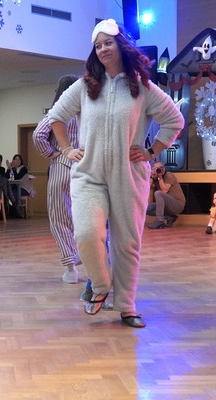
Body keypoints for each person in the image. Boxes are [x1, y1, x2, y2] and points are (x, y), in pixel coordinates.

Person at [47, 18, 184, 328]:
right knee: (86, 233)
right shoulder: (84, 86)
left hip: (129, 175)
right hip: (88, 174)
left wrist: (151, 152)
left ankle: (126, 306)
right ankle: (100, 286)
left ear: (121, 45)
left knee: (126, 244)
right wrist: (67, 149)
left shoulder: (143, 87)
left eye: (108, 43)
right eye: (98, 46)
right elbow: (56, 117)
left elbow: (174, 120)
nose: (103, 49)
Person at [33, 74, 81, 284]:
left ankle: (71, 267)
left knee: (60, 218)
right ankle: (92, 258)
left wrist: (51, 153)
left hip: (62, 165)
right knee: (85, 217)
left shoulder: (57, 111)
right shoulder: (85, 112)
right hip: (85, 167)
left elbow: (38, 135)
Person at [146, 160, 185, 229]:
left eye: (158, 168)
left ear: (163, 169)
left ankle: (160, 220)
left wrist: (160, 177)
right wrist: (151, 176)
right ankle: (169, 217)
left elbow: (164, 190)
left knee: (158, 193)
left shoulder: (169, 175)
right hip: (167, 205)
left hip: (177, 204)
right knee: (146, 208)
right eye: (154, 168)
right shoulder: (155, 178)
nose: (157, 170)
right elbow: (147, 189)